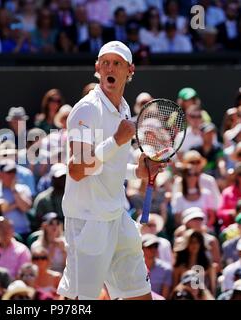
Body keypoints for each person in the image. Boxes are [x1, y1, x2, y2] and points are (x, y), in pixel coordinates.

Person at [58, 41, 165, 300]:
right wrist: (116, 140)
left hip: (117, 218)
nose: (110, 67)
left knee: (140, 294)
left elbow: (109, 167)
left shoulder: (124, 109)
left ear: (130, 70)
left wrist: (137, 172)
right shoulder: (86, 109)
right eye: (105, 62)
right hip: (88, 221)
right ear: (97, 67)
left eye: (117, 63)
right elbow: (77, 170)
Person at [0, 160, 32, 239]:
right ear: (0, 175)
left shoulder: (23, 189)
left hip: (22, 233)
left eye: (13, 172)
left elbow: (25, 208)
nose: (12, 175)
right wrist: (15, 205)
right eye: (8, 173)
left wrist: (14, 191)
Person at [173, 229, 216, 295]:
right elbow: (175, 288)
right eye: (191, 242)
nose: (194, 245)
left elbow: (212, 289)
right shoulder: (179, 266)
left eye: (197, 242)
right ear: (186, 244)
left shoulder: (207, 265)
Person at [141, 234, 172, 299]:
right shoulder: (135, 268)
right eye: (149, 247)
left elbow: (164, 297)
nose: (153, 249)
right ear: (141, 248)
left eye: (156, 246)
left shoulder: (166, 269)